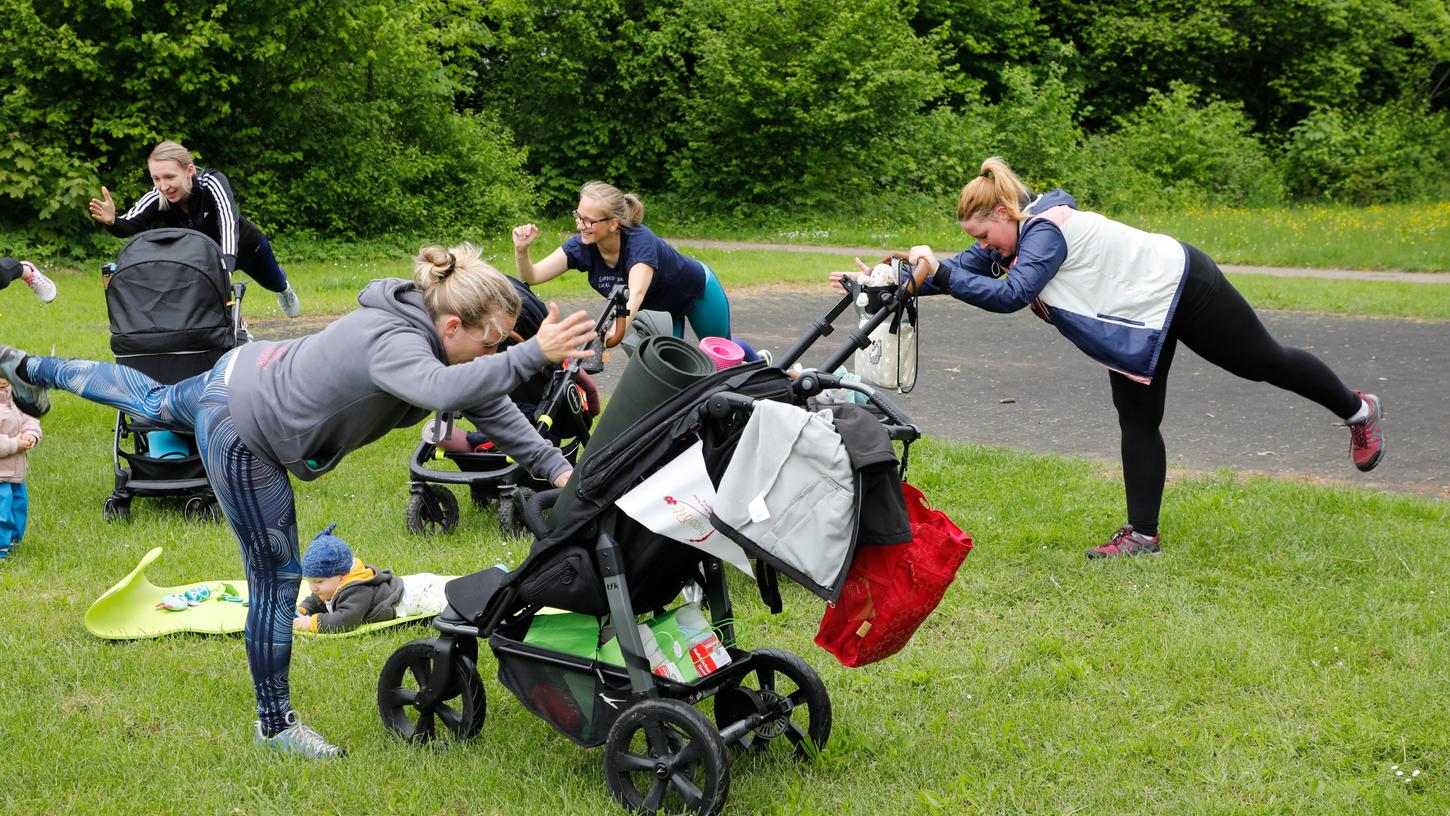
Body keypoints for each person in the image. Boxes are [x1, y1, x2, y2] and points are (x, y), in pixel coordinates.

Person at [0, 243, 597, 757]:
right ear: (450, 328)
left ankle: (29, 367)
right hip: (244, 429)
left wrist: (559, 471)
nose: (497, 355)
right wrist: (530, 356)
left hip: (237, 373)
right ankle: (275, 724)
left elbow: (489, 403)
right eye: (492, 344)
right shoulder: (393, 343)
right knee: (277, 576)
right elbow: (438, 387)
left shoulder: (427, 326)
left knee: (153, 402)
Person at [850, 157, 1384, 559]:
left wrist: (937, 272)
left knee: (1263, 362)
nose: (985, 248)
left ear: (1005, 213)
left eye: (986, 235)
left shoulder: (1044, 234)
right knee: (1138, 417)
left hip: (1181, 286)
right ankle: (1143, 536)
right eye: (977, 240)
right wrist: (880, 280)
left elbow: (1007, 295)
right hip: (1133, 314)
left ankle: (1358, 410)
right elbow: (957, 273)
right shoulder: (1010, 239)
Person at [512, 181, 764, 360]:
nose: (580, 225)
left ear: (613, 224)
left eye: (588, 220)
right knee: (667, 368)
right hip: (662, 311)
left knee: (721, 354)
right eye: (578, 216)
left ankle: (759, 361)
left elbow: (636, 294)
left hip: (696, 292)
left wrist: (612, 333)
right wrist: (522, 251)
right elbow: (531, 277)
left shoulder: (639, 241)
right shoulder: (581, 246)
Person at [87, 140, 303, 318]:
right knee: (206, 304)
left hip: (247, 248)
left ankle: (285, 290)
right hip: (204, 261)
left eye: (170, 177)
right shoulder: (158, 196)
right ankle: (238, 333)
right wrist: (112, 221)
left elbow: (228, 222)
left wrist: (226, 267)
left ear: (189, 170)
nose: (163, 186)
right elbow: (127, 226)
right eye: (156, 178)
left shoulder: (213, 182)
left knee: (274, 281)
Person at [293, 523, 402, 634]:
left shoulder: (357, 589)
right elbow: (315, 601)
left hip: (409, 598)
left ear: (342, 575)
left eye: (319, 582)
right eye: (309, 581)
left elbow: (346, 620)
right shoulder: (328, 588)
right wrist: (302, 611)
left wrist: (311, 623)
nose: (313, 588)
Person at [0, 378, 40, 561]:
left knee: (19, 506)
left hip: (16, 472)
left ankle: (13, 543)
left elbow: (28, 418)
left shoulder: (14, 397)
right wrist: (15, 444)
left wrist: (31, 434)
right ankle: (1, 547)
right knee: (2, 511)